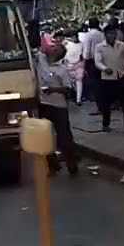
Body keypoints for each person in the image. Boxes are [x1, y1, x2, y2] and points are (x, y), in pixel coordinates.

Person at [37, 42, 79, 176]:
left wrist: (53, 89)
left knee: (64, 137)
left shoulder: (62, 69)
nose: (52, 48)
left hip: (58, 105)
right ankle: (52, 165)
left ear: (58, 54)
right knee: (45, 137)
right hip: (43, 103)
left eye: (56, 48)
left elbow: (68, 88)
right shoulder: (41, 59)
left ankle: (72, 163)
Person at [93, 25, 124, 133]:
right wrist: (104, 68)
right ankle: (105, 124)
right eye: (109, 33)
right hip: (107, 78)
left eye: (113, 33)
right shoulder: (100, 47)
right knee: (106, 104)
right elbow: (98, 61)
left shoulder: (121, 45)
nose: (111, 35)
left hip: (121, 75)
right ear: (105, 35)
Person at [78, 17, 105, 105]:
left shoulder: (88, 35)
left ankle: (97, 99)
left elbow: (87, 51)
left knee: (94, 80)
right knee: (101, 80)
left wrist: (86, 61)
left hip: (92, 61)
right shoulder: (102, 34)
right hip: (103, 59)